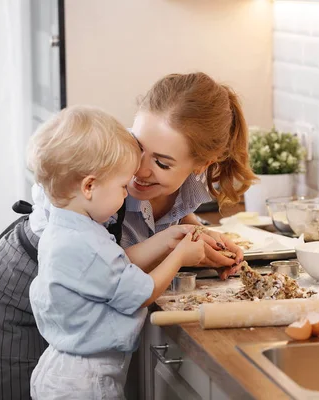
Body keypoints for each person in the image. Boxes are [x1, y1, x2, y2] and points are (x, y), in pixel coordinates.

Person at [0, 71, 257, 399]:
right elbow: (108, 264)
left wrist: (198, 234)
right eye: (138, 146)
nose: (139, 169)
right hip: (18, 297)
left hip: (82, 325)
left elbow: (157, 224)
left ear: (201, 164)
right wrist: (179, 250)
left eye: (161, 163)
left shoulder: (188, 183)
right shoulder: (98, 164)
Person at [27, 105, 206, 398]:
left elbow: (116, 267)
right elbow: (142, 291)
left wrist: (167, 239)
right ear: (89, 186)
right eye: (123, 186)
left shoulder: (71, 228)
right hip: (86, 382)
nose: (127, 194)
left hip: (62, 371)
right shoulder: (84, 241)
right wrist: (180, 257)